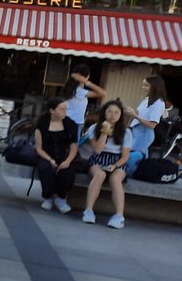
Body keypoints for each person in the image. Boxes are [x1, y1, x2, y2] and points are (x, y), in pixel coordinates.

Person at [80, 99, 131, 228]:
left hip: (117, 160)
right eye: (109, 112)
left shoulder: (126, 132)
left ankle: (119, 216)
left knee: (115, 178)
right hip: (99, 158)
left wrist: (114, 165)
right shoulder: (93, 128)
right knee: (99, 175)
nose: (113, 115)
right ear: (104, 113)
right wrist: (105, 132)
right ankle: (89, 211)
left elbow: (125, 156)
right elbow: (97, 150)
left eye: (116, 112)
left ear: (120, 115)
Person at [33, 97, 79, 213]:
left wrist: (68, 161)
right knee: (45, 169)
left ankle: (61, 198)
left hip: (64, 156)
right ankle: (48, 197)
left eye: (66, 109)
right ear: (52, 110)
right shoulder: (42, 125)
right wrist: (50, 159)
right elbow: (39, 148)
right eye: (61, 109)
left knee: (68, 173)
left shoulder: (70, 124)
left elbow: (74, 146)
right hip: (46, 154)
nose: (65, 112)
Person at [123, 74, 166, 157]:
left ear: (155, 87)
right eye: (143, 85)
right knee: (129, 155)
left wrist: (135, 115)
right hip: (136, 131)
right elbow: (139, 113)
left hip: (144, 134)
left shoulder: (158, 103)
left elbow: (152, 125)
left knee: (133, 157)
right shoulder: (147, 99)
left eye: (146, 85)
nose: (143, 88)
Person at [66, 64, 105, 142]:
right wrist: (86, 82)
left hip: (69, 120)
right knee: (72, 146)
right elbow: (102, 93)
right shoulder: (79, 91)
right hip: (74, 123)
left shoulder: (72, 89)